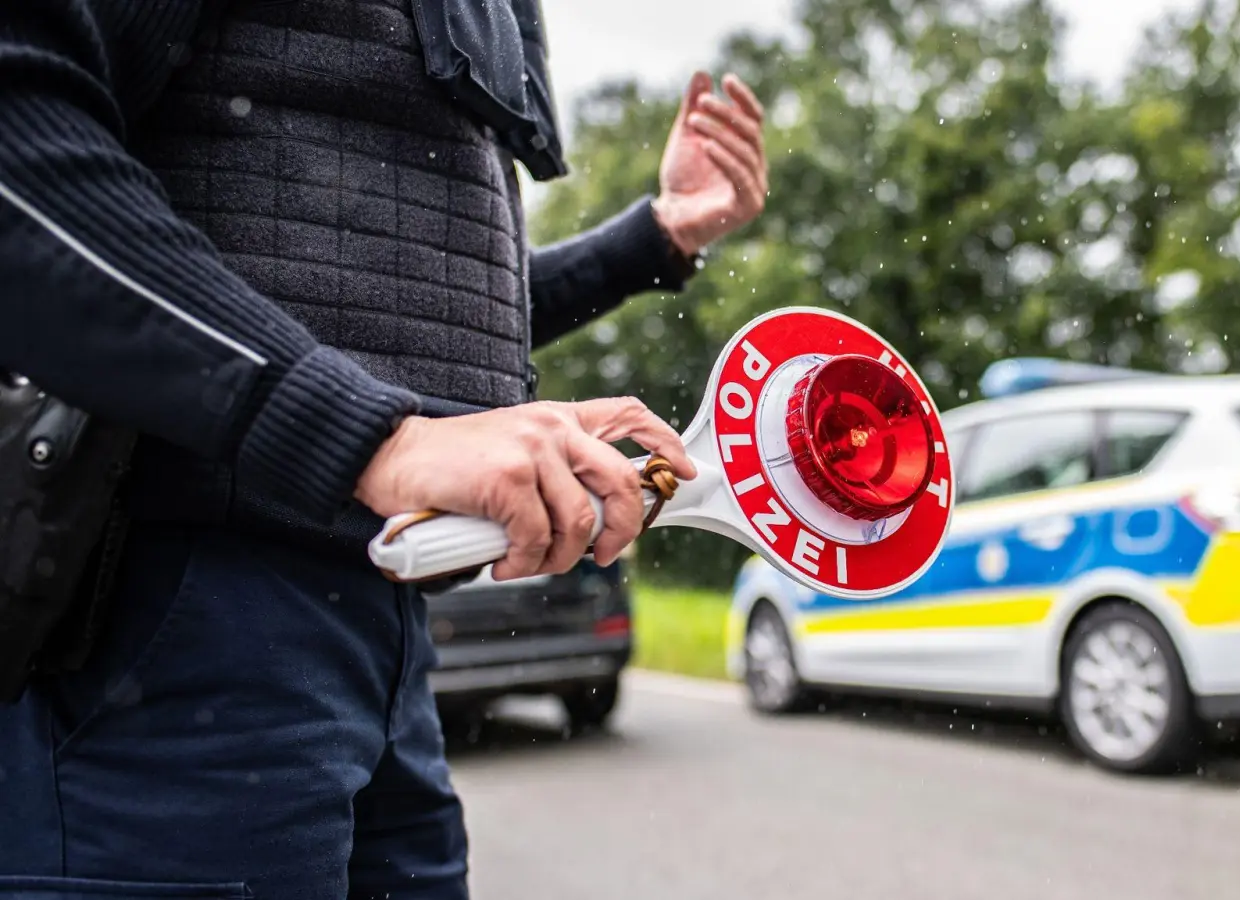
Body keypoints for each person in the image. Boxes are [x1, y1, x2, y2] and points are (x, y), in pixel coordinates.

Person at [0, 1, 768, 898]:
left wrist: (656, 237)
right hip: (170, 619)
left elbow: (396, 319)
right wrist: (375, 438)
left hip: (385, 627)